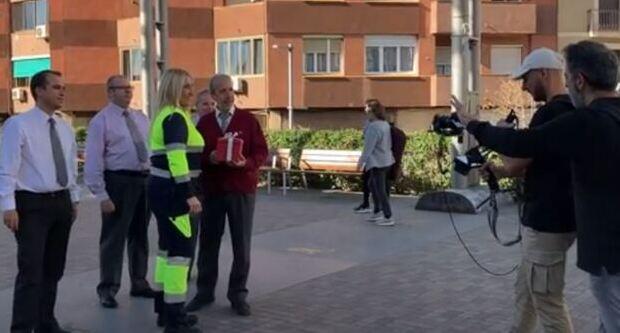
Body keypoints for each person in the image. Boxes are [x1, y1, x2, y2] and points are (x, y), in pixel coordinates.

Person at [454, 40, 620, 333]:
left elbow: (521, 146)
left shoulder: (585, 121)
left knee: (550, 299)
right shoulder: (606, 116)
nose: (567, 86)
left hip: (602, 250)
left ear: (580, 80)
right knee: (531, 291)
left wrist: (473, 125)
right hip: (596, 239)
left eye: (568, 79)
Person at [483, 48, 577, 332]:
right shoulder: (574, 111)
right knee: (526, 293)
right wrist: (494, 169)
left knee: (547, 301)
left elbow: (514, 164)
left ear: (544, 73)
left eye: (526, 78)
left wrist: (500, 135)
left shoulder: (549, 113)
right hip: (559, 219)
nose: (523, 86)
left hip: (547, 223)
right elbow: (522, 166)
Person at [0, 70, 79, 333]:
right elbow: (7, 167)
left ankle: (46, 323)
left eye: (63, 87)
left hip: (61, 203)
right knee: (31, 271)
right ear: (39, 90)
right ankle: (22, 328)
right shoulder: (18, 125)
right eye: (56, 87)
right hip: (31, 205)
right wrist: (8, 206)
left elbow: (70, 167)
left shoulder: (64, 128)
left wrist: (74, 199)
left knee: (53, 268)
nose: (62, 92)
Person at [186, 74, 268, 316]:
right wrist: (208, 158)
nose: (228, 94)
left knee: (241, 244)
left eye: (230, 90)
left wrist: (246, 163)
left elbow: (261, 151)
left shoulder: (248, 120)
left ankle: (238, 294)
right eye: (222, 91)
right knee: (208, 242)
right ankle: (204, 292)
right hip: (213, 191)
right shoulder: (205, 123)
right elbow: (195, 155)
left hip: (241, 189)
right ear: (213, 95)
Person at [85, 75, 154, 309]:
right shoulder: (100, 121)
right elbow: (93, 161)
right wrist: (102, 195)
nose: (128, 92)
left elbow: (151, 149)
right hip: (118, 182)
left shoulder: (141, 118)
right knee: (114, 238)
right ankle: (108, 288)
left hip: (144, 181)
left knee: (140, 235)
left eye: (130, 88)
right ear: (110, 92)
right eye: (122, 88)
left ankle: (139, 282)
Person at [148, 68, 203, 333]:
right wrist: (188, 193)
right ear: (172, 89)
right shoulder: (174, 118)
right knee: (180, 256)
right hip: (173, 194)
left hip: (163, 191)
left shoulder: (171, 116)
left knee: (166, 252)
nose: (191, 92)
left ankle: (164, 309)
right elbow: (176, 158)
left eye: (192, 86)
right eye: (185, 87)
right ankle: (175, 320)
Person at [357, 99, 395, 226]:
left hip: (378, 162)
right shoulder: (383, 124)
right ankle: (377, 210)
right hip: (386, 160)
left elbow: (368, 147)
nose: (365, 110)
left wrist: (360, 162)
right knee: (372, 184)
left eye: (367, 108)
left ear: (372, 111)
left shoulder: (374, 127)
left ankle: (388, 216)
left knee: (379, 189)